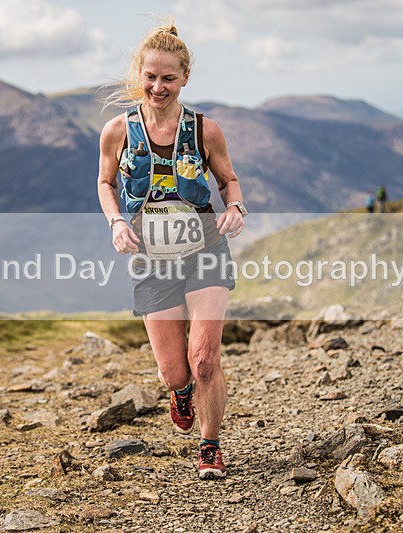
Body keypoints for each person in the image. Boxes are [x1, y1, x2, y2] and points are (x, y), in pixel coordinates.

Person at [97, 21, 246, 480]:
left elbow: (228, 181)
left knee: (204, 361)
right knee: (174, 374)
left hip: (205, 250)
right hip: (151, 257)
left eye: (169, 78)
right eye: (151, 77)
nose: (158, 87)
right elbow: (105, 182)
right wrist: (117, 221)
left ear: (184, 79)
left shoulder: (205, 130)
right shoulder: (117, 130)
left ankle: (210, 445)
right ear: (139, 75)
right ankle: (180, 394)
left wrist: (236, 207)